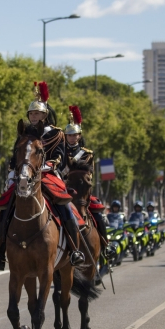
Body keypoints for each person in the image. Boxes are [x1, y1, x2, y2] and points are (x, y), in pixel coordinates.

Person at [0, 82, 85, 271]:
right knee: (6, 209)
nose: (33, 117)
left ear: (44, 115)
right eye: (31, 114)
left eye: (37, 114)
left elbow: (60, 158)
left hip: (48, 176)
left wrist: (47, 166)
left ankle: (75, 249)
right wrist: (12, 173)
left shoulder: (57, 134)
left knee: (64, 207)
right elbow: (16, 157)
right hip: (25, 176)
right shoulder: (24, 134)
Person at [62, 105, 115, 259]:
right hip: (63, 188)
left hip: (82, 189)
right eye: (69, 135)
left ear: (79, 136)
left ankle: (105, 245)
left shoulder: (87, 154)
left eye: (74, 135)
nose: (72, 138)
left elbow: (87, 173)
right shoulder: (60, 152)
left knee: (97, 210)